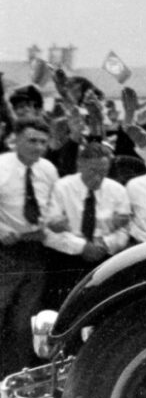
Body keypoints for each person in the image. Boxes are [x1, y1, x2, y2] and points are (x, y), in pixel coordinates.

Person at [0, 114, 59, 376]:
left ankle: (15, 375)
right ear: (16, 140)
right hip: (5, 250)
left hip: (36, 249)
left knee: (25, 320)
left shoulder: (48, 169)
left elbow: (53, 207)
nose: (37, 147)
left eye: (42, 142)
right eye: (31, 140)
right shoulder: (1, 166)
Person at [45, 140, 132, 300]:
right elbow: (50, 229)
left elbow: (124, 229)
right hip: (67, 258)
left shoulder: (117, 190)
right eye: (92, 171)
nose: (98, 177)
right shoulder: (62, 187)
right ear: (80, 163)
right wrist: (83, 247)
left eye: (103, 171)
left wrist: (105, 244)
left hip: (103, 256)